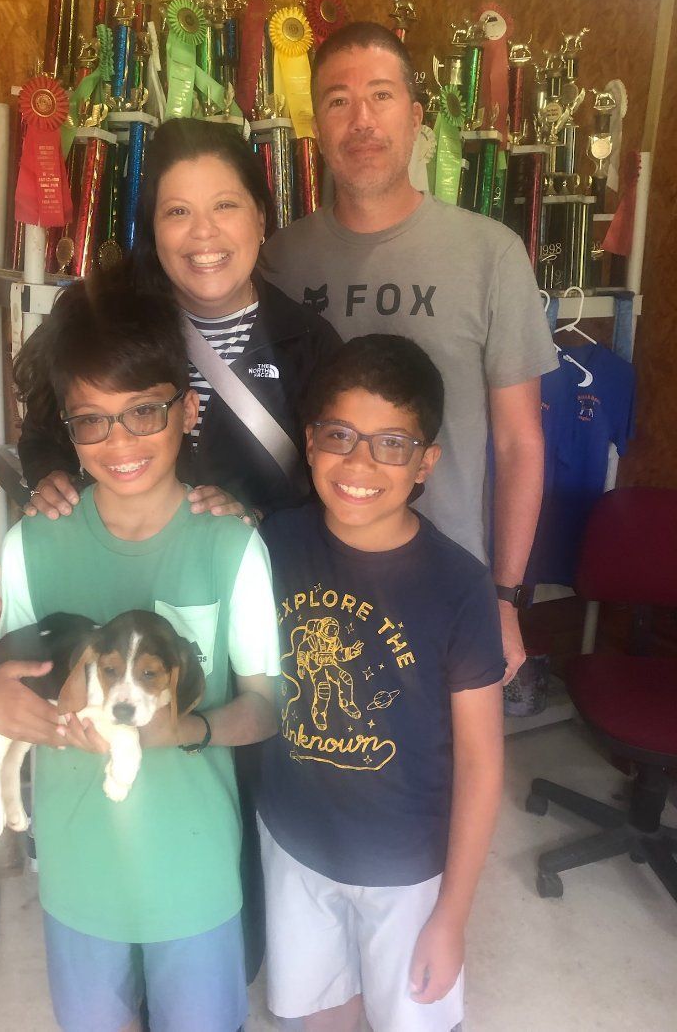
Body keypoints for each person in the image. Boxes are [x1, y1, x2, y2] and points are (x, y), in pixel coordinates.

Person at [0, 282, 281, 1032]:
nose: (122, 442)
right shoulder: (34, 544)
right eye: (92, 422)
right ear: (68, 431)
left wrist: (187, 729)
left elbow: (266, 705)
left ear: (188, 409)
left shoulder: (231, 544)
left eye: (144, 410)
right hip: (79, 871)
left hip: (195, 868)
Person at [260, 21, 557, 682]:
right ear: (318, 123)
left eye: (381, 96)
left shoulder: (491, 255)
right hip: (310, 586)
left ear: (417, 117)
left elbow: (519, 442)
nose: (360, 119)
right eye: (338, 99)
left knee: (444, 778)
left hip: (444, 590)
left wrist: (506, 598)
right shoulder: (280, 260)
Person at [257, 335, 505, 1032]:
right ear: (309, 442)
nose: (360, 462)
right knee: (320, 1011)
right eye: (340, 434)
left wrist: (451, 916)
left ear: (426, 461)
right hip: (295, 844)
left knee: (413, 1019)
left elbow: (483, 762)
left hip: (408, 871)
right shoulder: (275, 542)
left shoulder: (459, 585)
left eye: (391, 443)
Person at [18, 117, 341, 525]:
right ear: (154, 228)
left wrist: (257, 518)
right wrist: (50, 480)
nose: (203, 232)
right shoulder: (99, 317)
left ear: (260, 218)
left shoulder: (309, 342)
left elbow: (340, 486)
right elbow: (43, 432)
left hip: (261, 579)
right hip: (132, 575)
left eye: (225, 205)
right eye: (177, 211)